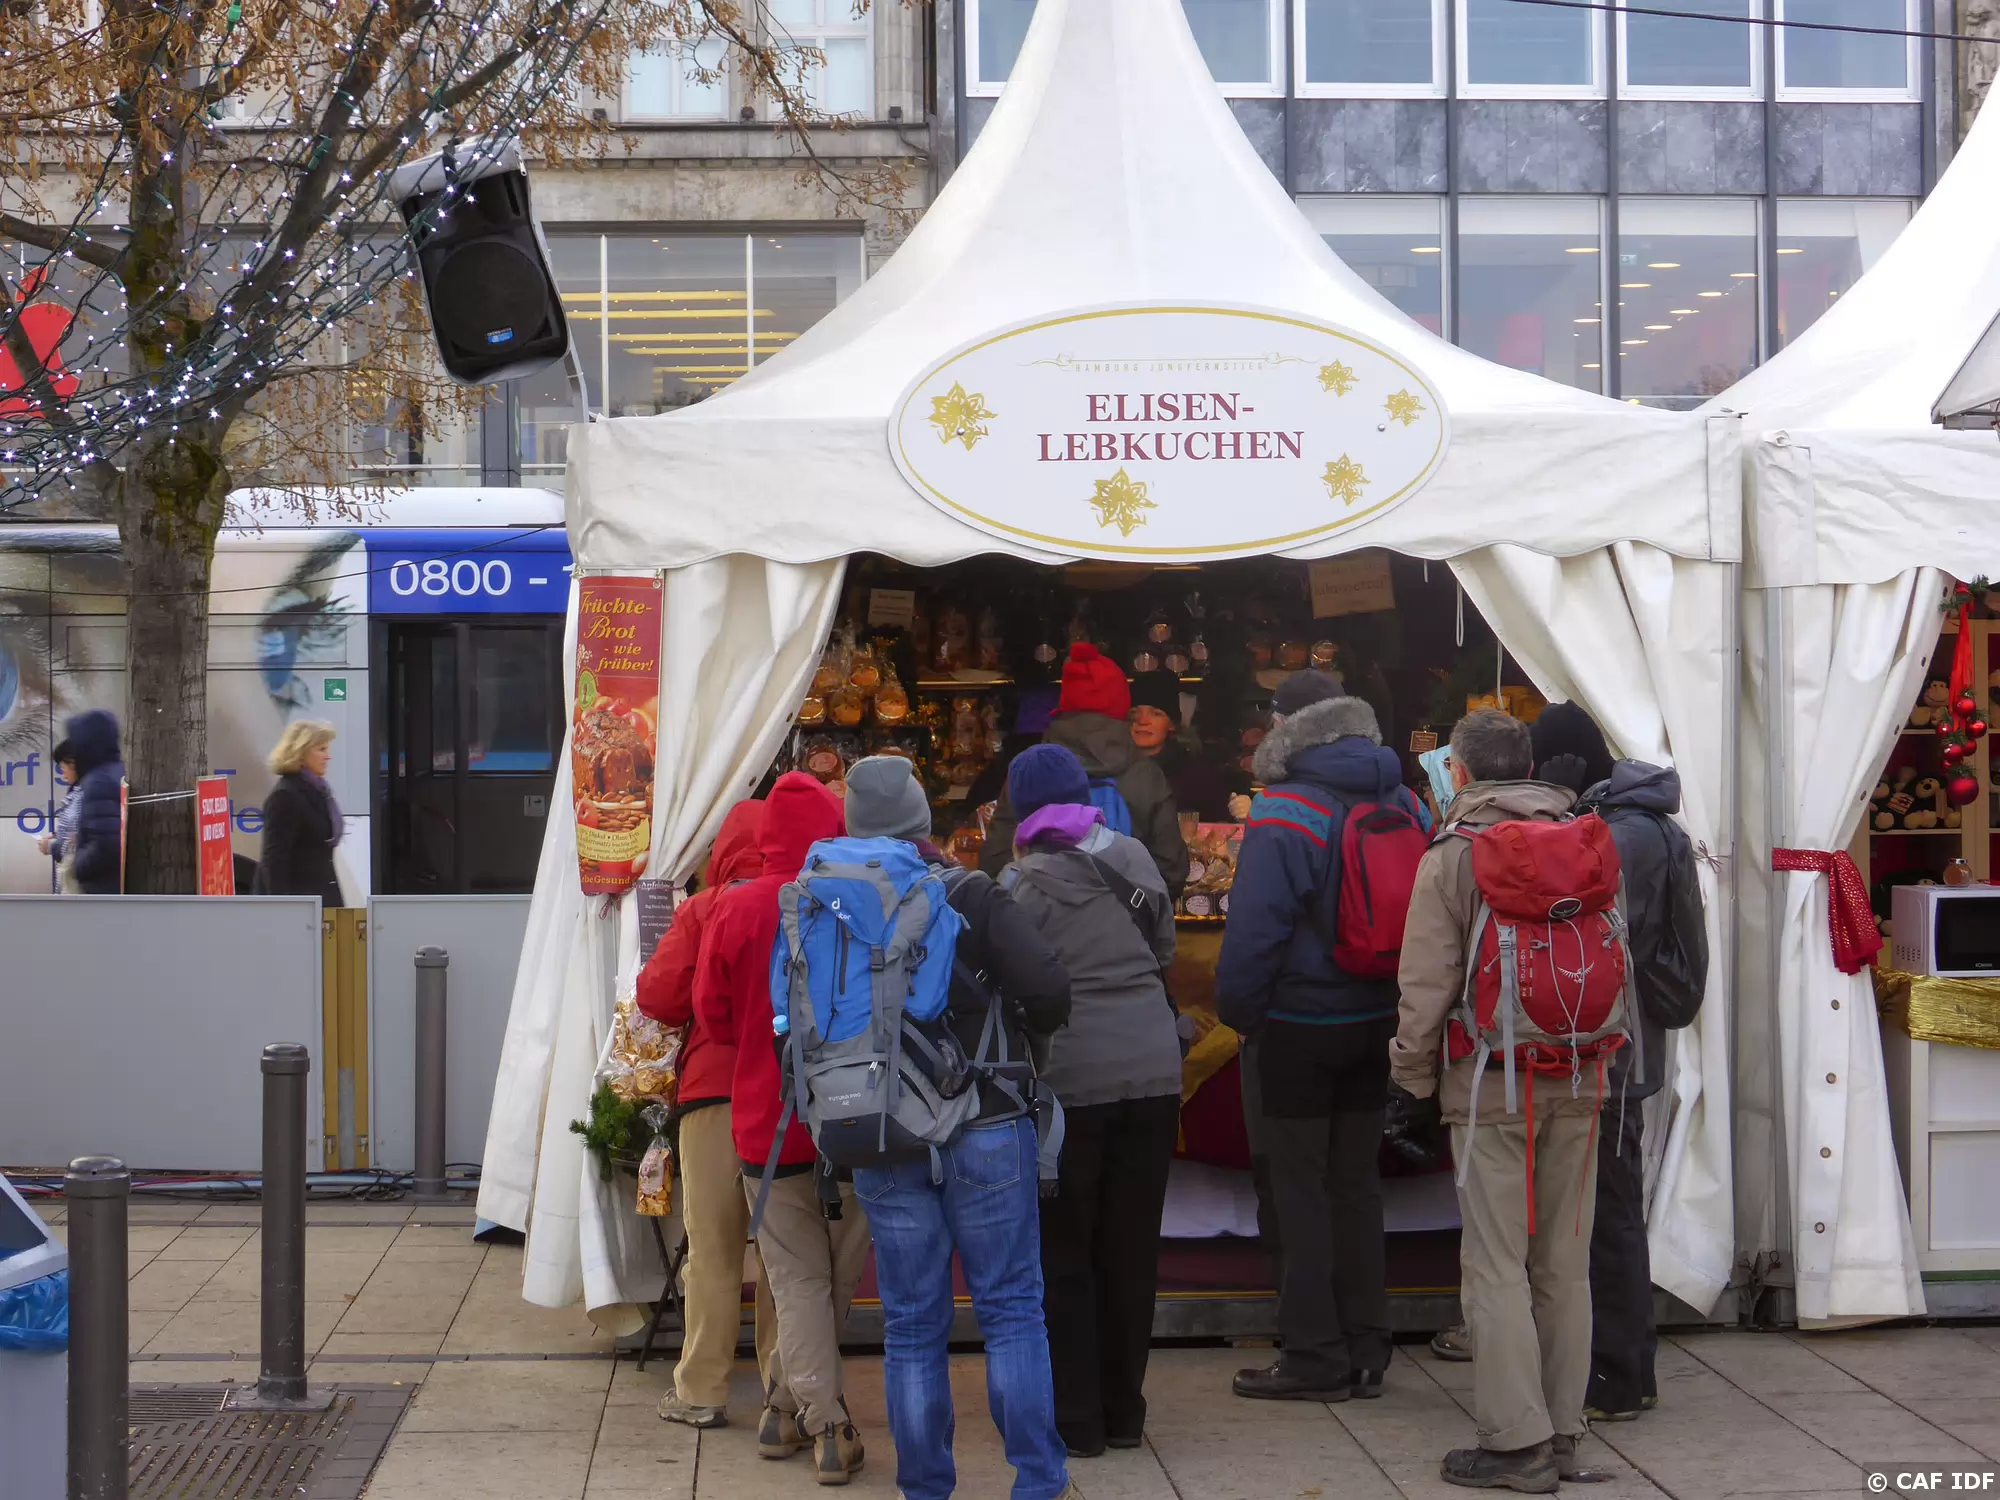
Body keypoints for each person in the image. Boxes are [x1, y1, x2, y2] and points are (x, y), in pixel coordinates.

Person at [839, 755, 1079, 1500]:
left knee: (911, 1323)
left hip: (881, 1129)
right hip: (986, 1119)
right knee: (1010, 1310)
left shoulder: (828, 904)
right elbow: (1050, 990)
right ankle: (1037, 1482)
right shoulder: (970, 892)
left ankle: (925, 1489)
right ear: (922, 821)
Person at [1392, 708, 1599, 1493]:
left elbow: (1427, 982)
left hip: (1491, 1080)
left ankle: (1518, 1443)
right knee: (1564, 1265)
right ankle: (1565, 1431)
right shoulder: (1581, 835)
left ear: (1461, 772)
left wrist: (1410, 1079)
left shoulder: (1454, 853)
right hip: (1582, 1071)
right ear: (1531, 766)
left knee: (1495, 1265)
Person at [1216, 677, 1424, 1405]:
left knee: (1297, 1189)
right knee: (1356, 1186)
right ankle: (1367, 1348)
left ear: (1287, 725)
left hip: (1298, 1026)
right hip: (1380, 1017)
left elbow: (1255, 932)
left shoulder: (1284, 810)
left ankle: (1313, 1354)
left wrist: (1241, 1013)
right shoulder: (1404, 799)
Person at [1001, 743, 1182, 1457]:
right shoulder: (1133, 859)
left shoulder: (1021, 885)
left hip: (1068, 1084)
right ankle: (1124, 1411)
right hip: (1153, 1072)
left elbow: (1014, 985)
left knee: (1065, 1248)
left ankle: (1077, 1419)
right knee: (1132, 1246)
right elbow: (1163, 953)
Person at [1532, 705, 1709, 1424]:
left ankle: (1618, 1372)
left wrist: (1555, 820)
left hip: (1612, 1044)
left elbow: (1596, 934)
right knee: (1609, 1202)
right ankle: (1627, 1363)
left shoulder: (1620, 833)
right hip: (1630, 1041)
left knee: (1605, 1209)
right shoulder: (1637, 820)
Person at [693, 770, 870, 1485]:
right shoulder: (853, 900)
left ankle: (782, 1408)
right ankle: (827, 1426)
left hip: (766, 1123)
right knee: (834, 1281)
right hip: (850, 1118)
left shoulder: (734, 907)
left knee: (796, 1280)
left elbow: (710, 1017)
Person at [635, 798, 779, 1432]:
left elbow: (657, 996)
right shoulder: (802, 900)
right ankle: (786, 1393)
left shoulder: (704, 908)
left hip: (713, 1093)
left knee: (714, 1250)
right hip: (785, 1097)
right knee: (786, 1256)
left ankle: (701, 1392)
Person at [984, 643, 1186, 899]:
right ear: (1122, 708)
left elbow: (995, 861)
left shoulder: (1029, 770)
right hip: (1120, 920)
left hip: (1036, 918)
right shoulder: (1146, 775)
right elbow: (1170, 871)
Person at [1129, 668, 1238, 822]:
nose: (1142, 721)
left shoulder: (1198, 778)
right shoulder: (1111, 769)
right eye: (1135, 713)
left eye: (1156, 714)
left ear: (1172, 725)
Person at [256, 720, 345, 906]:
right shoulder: (285, 796)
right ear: (301, 753)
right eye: (321, 749)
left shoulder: (318, 791)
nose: (328, 757)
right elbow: (274, 861)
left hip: (322, 896)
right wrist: (284, 908)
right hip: (299, 903)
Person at [61, 710, 125, 895]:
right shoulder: (118, 771)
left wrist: (76, 865)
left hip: (100, 889)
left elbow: (106, 844)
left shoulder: (99, 781)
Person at [34, 740, 80, 892]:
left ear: (73, 764)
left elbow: (78, 841)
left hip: (77, 885)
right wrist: (55, 835)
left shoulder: (84, 796)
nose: (63, 773)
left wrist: (52, 846)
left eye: (63, 767)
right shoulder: (77, 791)